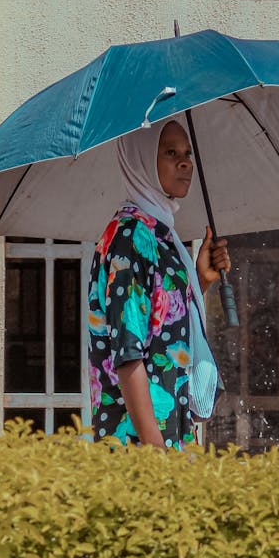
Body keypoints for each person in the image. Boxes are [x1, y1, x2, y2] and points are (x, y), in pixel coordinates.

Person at [88, 118, 230, 449]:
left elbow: (159, 325)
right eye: (170, 152)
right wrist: (156, 457)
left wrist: (199, 280)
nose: (185, 162)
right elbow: (128, 353)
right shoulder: (130, 237)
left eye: (187, 153)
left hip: (172, 436)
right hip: (140, 448)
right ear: (141, 162)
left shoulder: (159, 234)